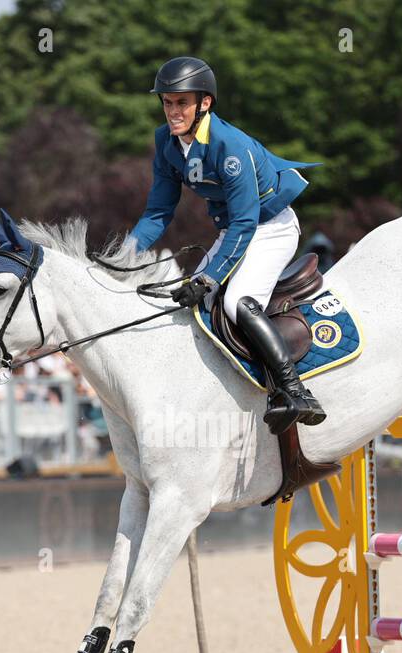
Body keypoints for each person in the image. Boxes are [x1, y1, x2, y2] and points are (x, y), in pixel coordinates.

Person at [127, 56, 325, 435]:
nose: (173, 111)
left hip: (271, 228)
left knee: (236, 302)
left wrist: (211, 277)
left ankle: (294, 390)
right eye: (167, 102)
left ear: (205, 102)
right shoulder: (165, 142)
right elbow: (157, 212)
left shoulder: (229, 145)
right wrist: (123, 255)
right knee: (188, 303)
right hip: (236, 228)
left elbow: (247, 221)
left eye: (181, 102)